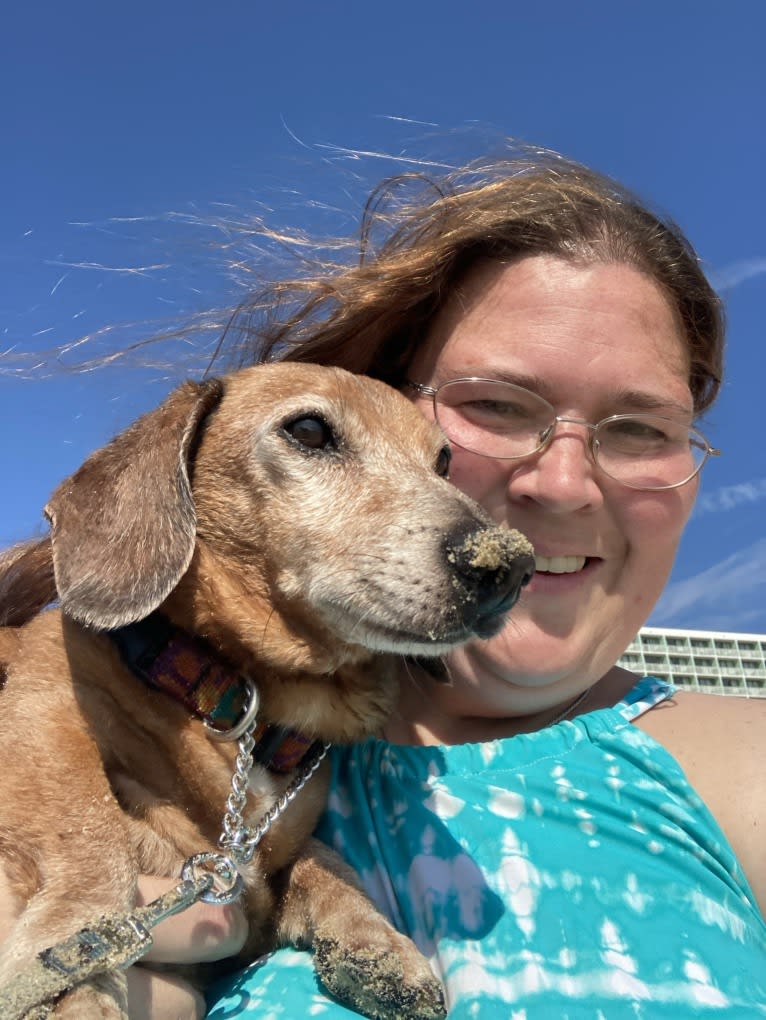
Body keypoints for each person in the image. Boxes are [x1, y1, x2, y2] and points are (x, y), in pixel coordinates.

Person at [124, 149, 764, 1017]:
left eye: (642, 429)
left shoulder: (745, 771)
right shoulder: (139, 726)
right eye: (497, 406)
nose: (565, 485)